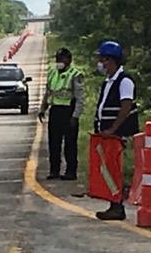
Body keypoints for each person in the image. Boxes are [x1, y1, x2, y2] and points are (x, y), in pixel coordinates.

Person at [93, 40, 140, 220]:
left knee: (116, 170)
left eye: (103, 59)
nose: (100, 64)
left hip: (119, 135)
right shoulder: (108, 82)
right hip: (107, 135)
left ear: (111, 60)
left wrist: (113, 129)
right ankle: (114, 204)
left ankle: (117, 206)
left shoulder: (124, 81)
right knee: (110, 170)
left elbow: (125, 106)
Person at [40, 47, 84, 180]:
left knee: (70, 144)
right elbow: (48, 92)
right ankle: (54, 170)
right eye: (57, 59)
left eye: (62, 59)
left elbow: (80, 98)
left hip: (69, 112)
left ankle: (71, 171)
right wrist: (43, 108)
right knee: (54, 143)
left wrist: (75, 116)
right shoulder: (52, 72)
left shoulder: (75, 74)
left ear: (69, 60)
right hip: (55, 111)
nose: (59, 61)